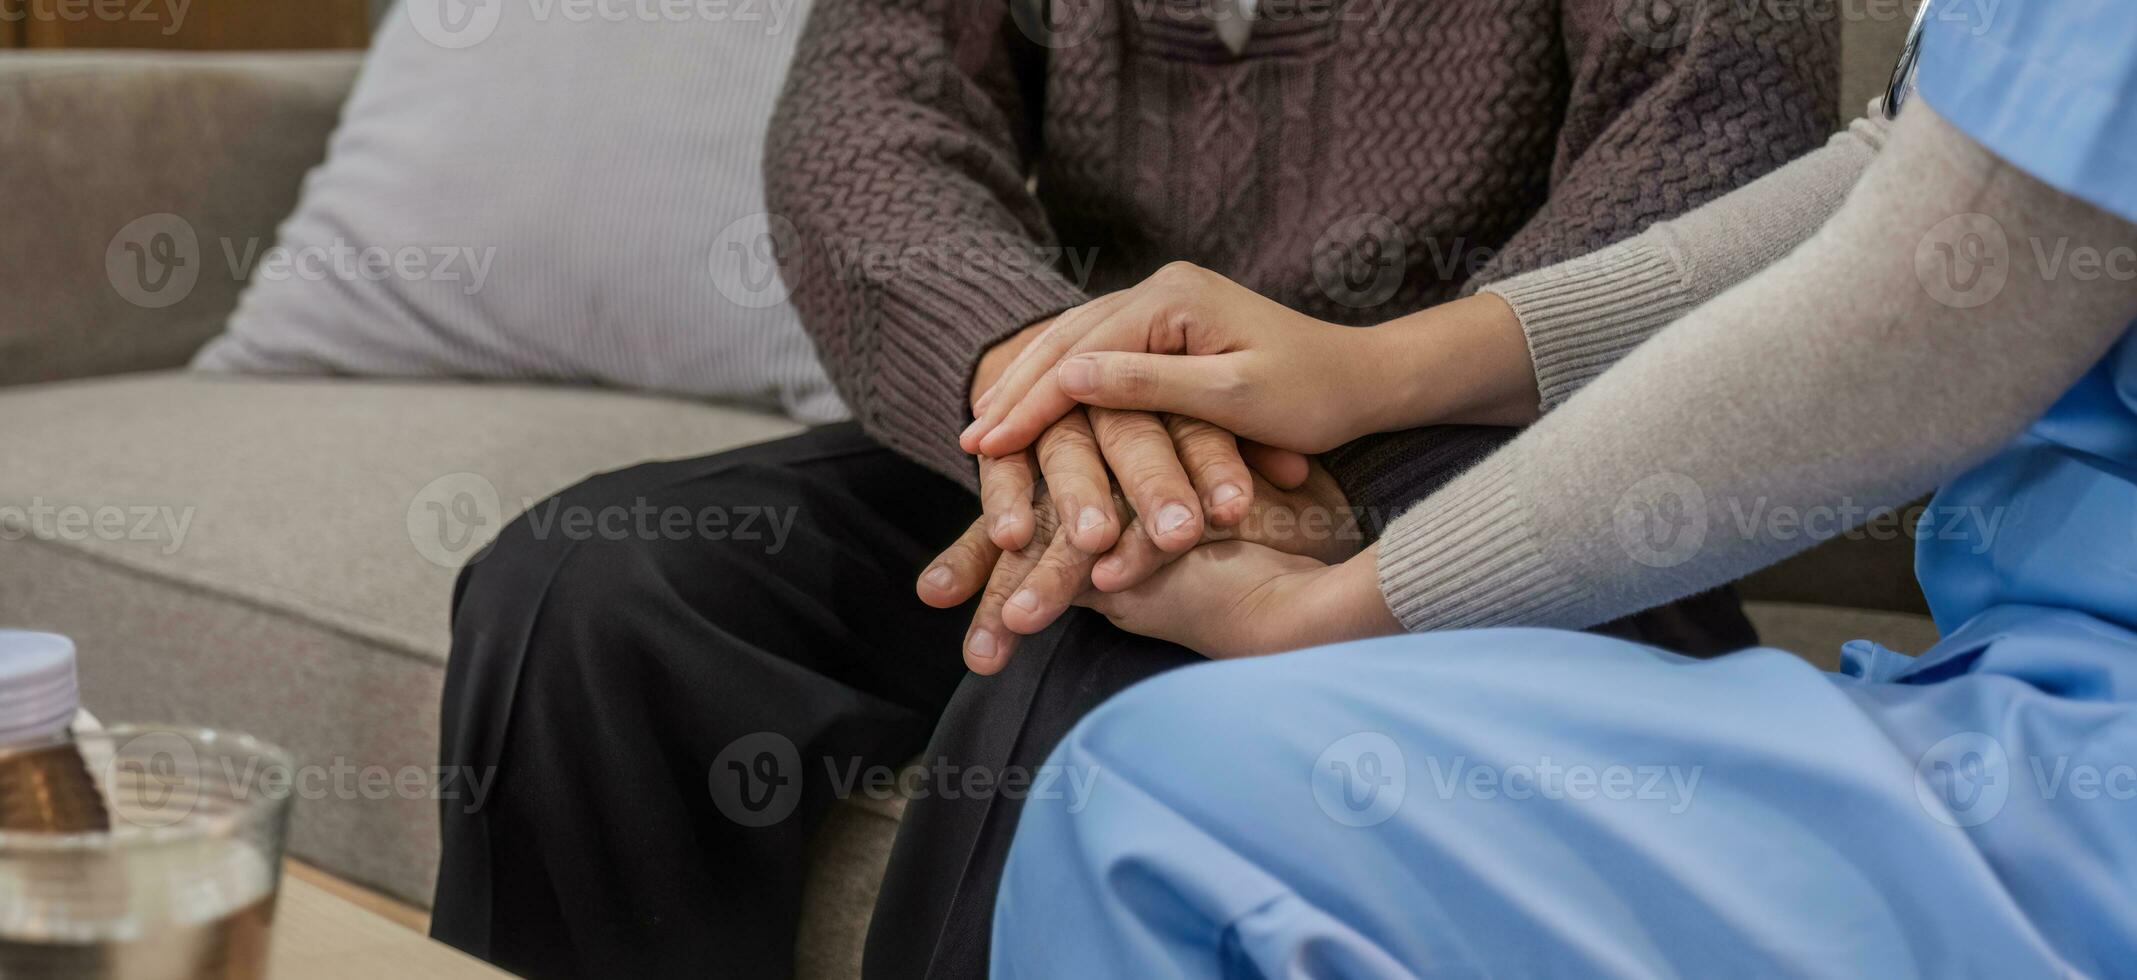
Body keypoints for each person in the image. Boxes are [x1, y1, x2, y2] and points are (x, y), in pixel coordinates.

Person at [426, 0, 1840, 975]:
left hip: (1514, 478)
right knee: (589, 595)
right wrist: (1031, 392)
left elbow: (1713, 151)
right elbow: (863, 130)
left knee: (1102, 652)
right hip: (1082, 419)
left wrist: (1344, 428)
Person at [985, 0, 2137, 973]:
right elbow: (1903, 174)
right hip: (2020, 683)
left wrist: (1331, 610)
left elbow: (1936, 299)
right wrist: (1373, 369)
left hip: (2090, 777)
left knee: (1152, 797)